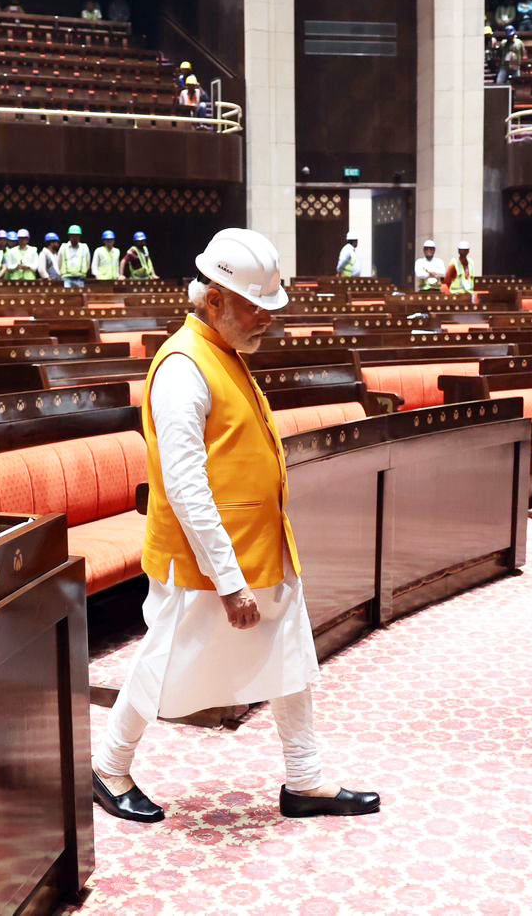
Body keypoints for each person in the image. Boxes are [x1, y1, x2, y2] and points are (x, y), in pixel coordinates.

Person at [92, 227, 380, 825]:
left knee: (291, 653)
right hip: (204, 557)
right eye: (255, 307)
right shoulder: (182, 367)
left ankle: (304, 779)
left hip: (262, 542)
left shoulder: (224, 352)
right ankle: (109, 766)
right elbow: (186, 485)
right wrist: (228, 579)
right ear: (215, 299)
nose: (266, 321)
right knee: (163, 659)